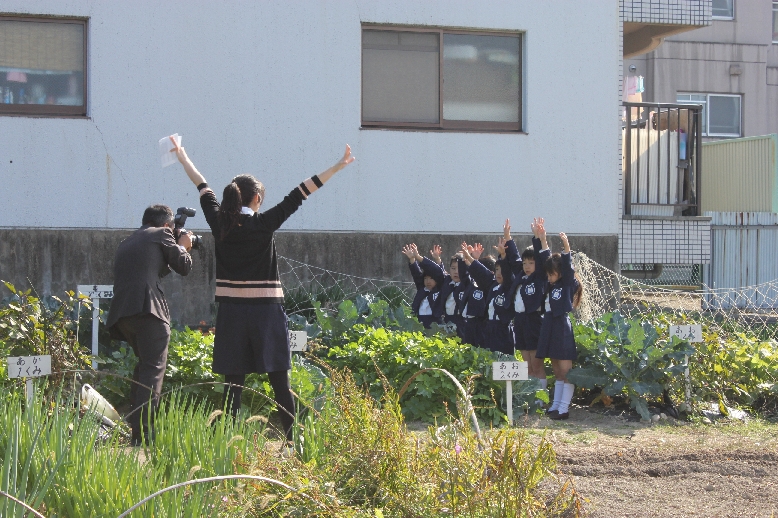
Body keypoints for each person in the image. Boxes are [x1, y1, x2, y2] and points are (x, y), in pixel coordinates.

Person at [171, 137, 354, 442]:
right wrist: (336, 166)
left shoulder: (218, 222)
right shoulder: (264, 223)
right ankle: (293, 442)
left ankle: (226, 443)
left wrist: (182, 156)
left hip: (231, 311)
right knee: (280, 381)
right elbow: (302, 191)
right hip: (266, 312)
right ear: (256, 198)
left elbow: (201, 184)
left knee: (233, 382)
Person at [107, 204, 193, 445]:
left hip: (124, 314)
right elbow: (184, 266)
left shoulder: (128, 241)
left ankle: (135, 429)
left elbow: (154, 269)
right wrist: (184, 246)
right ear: (166, 225)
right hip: (149, 310)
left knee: (144, 368)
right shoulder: (162, 233)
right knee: (153, 370)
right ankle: (143, 435)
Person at [535, 232, 583, 420]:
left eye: (552, 274)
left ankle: (564, 408)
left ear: (561, 273)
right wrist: (542, 240)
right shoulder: (551, 285)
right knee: (556, 369)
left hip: (561, 326)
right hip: (548, 325)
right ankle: (556, 405)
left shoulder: (568, 284)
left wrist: (566, 246)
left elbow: (567, 267)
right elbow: (545, 259)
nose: (548, 277)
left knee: (565, 370)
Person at [503, 218, 551, 394]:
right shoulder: (520, 275)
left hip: (534, 320)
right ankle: (528, 397)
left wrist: (538, 238)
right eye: (525, 263)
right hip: (520, 321)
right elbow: (514, 257)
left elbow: (543, 258)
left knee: (536, 366)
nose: (527, 266)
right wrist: (508, 237)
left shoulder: (540, 277)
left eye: (531, 263)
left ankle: (540, 398)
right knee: (526, 366)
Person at [460, 238, 515, 355]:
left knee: (503, 360)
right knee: (489, 358)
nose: (499, 273)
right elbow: (481, 272)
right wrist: (469, 257)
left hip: (503, 329)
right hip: (489, 327)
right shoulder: (493, 285)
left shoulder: (509, 286)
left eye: (502, 270)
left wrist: (503, 255)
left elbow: (508, 272)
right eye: (497, 270)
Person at [401, 243, 445, 328]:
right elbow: (416, 274)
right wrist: (412, 259)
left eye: (431, 278)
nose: (428, 281)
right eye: (426, 278)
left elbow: (439, 273)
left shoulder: (440, 288)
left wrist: (438, 259)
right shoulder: (422, 288)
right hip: (420, 323)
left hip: (435, 324)